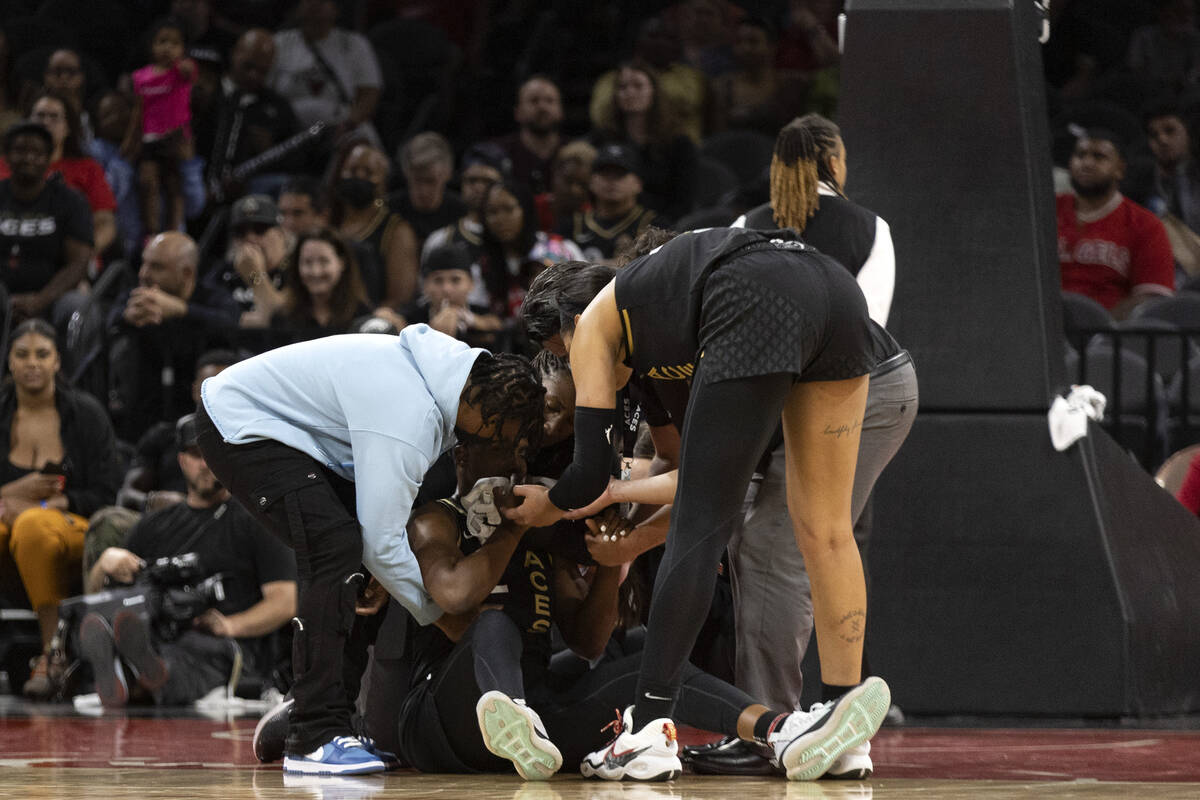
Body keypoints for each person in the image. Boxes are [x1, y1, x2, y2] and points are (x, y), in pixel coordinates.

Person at [507, 226, 897, 781]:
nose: (572, 369)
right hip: (836, 292)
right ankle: (843, 723)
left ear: (570, 325)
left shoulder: (593, 323)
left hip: (758, 294)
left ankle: (647, 731)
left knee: (699, 524)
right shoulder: (663, 336)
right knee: (827, 528)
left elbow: (590, 473)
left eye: (561, 355)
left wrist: (549, 504)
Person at [395, 405, 858, 782]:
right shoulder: (437, 519)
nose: (515, 466)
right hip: (441, 723)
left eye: (521, 453)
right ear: (462, 457)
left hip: (536, 733)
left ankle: (780, 732)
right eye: (502, 450)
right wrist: (512, 532)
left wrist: (607, 561)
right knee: (494, 622)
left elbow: (588, 642)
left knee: (649, 658)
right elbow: (455, 596)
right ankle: (512, 713)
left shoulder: (540, 536)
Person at [196, 327, 546, 774]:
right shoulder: (411, 414)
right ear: (482, 407)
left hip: (298, 439)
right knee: (336, 547)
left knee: (362, 566)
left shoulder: (453, 381)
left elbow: (382, 538)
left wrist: (383, 569)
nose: (503, 449)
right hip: (237, 422)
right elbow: (381, 545)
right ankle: (313, 735)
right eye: (502, 435)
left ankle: (321, 711)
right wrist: (440, 615)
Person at [81, 413, 297, 708]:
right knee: (124, 628)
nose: (206, 463)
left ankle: (136, 676)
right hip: (159, 631)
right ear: (182, 460)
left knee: (191, 653)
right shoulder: (153, 526)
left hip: (221, 643)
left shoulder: (257, 520)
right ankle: (133, 672)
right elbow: (99, 600)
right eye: (197, 454)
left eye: (214, 452)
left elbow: (285, 601)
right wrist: (103, 564)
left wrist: (231, 625)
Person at [0, 319, 121, 698]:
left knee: (33, 525)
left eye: (42, 354)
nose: (32, 363)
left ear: (57, 361)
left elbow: (107, 492)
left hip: (71, 531)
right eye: (22, 355)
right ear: (9, 361)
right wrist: (11, 492)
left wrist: (48, 504)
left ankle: (53, 654)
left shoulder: (86, 414)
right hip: (8, 532)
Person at [736, 113, 895, 326]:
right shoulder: (872, 229)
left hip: (758, 346)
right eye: (844, 160)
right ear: (834, 164)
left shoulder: (744, 226)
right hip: (839, 347)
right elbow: (870, 326)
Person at [108, 232, 239, 441]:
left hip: (198, 414)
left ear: (187, 273)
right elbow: (109, 320)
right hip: (144, 410)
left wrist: (182, 310)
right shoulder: (138, 297)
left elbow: (230, 324)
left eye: (156, 267)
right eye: (144, 263)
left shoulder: (213, 297)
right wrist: (126, 317)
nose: (143, 273)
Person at [1057, 128, 1175, 319]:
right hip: (1036, 329)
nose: (1086, 163)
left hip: (1111, 333)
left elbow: (1152, 297)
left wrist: (1099, 327)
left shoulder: (1145, 225)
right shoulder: (1044, 211)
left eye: (1099, 157)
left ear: (1120, 169)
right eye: (1080, 155)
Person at [0, 122, 93, 326]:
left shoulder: (70, 201)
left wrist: (39, 301)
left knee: (78, 306)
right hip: (2, 295)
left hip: (52, 298)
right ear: (6, 156)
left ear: (49, 158)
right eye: (20, 151)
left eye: (37, 152)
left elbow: (78, 264)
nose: (28, 158)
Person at [7, 90, 117, 258]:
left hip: (72, 261)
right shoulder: (4, 165)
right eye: (40, 115)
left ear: (68, 127)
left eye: (54, 117)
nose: (45, 122)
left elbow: (105, 223)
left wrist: (82, 255)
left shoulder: (88, 169)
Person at [194, 28, 301, 200]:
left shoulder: (277, 107)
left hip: (250, 190)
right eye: (248, 66)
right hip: (197, 176)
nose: (253, 76)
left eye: (263, 71)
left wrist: (269, 150)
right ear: (234, 54)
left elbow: (295, 159)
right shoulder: (206, 92)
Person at [591, 60, 698, 222]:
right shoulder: (603, 139)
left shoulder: (679, 143)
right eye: (622, 87)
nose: (630, 92)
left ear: (653, 92)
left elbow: (684, 202)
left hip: (663, 225)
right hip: (611, 223)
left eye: (638, 86)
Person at [268, 0, 383, 142]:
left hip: (342, 126)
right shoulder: (278, 43)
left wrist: (349, 124)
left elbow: (369, 95)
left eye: (322, 2)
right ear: (297, 8)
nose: (315, 5)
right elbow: (260, 90)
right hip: (288, 130)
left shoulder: (354, 44)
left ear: (336, 9)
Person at [330, 141, 419, 313]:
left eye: (368, 172)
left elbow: (400, 299)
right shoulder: (331, 221)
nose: (358, 176)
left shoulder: (396, 231)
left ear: (383, 180)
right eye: (352, 170)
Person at [129, 17, 197, 235]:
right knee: (148, 183)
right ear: (152, 45)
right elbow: (138, 111)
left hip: (175, 138)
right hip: (150, 138)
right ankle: (150, 233)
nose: (168, 48)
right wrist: (130, 141)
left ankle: (173, 233)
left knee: (173, 187)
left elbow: (190, 71)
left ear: (183, 48)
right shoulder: (140, 77)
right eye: (162, 41)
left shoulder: (181, 72)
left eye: (174, 43)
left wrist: (185, 66)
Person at [479, 179, 582, 318]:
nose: (500, 219)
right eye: (492, 212)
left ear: (526, 210)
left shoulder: (560, 249)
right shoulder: (485, 263)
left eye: (508, 209)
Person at [422, 143, 508, 307]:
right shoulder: (440, 239)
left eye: (487, 181)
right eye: (472, 180)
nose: (478, 187)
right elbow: (426, 294)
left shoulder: (512, 238)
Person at [202, 194, 292, 327]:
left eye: (259, 230)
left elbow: (280, 317)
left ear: (281, 235)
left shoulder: (295, 271)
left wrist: (255, 275)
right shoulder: (223, 273)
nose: (250, 238)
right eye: (240, 233)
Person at [270, 228, 372, 340]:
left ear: (341, 263)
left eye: (324, 261)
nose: (315, 272)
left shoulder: (362, 316)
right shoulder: (283, 317)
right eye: (307, 262)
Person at [710, 17, 806, 137]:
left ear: (772, 47)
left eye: (753, 42)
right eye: (739, 42)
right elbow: (719, 137)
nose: (745, 48)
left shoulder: (791, 84)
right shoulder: (723, 87)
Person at [563, 144, 657, 263]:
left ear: (638, 184)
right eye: (605, 173)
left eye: (620, 174)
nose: (611, 181)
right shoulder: (572, 226)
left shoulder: (655, 225)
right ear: (591, 181)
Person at [400, 243, 502, 349]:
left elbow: (500, 328)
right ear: (425, 285)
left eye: (455, 280)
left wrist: (470, 320)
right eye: (438, 280)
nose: (447, 289)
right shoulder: (411, 319)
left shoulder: (484, 314)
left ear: (471, 283)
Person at [391, 132, 466, 247]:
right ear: (406, 174)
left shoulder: (462, 215)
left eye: (431, 181)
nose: (423, 190)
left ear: (447, 175)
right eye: (417, 180)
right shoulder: (388, 211)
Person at [493, 76, 563, 196]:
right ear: (517, 112)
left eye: (550, 101)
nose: (542, 107)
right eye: (534, 101)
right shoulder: (496, 153)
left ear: (561, 110)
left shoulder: (574, 152)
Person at [534, 140, 594, 234]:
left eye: (583, 185)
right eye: (568, 181)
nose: (574, 190)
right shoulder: (534, 208)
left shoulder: (594, 218)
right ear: (555, 173)